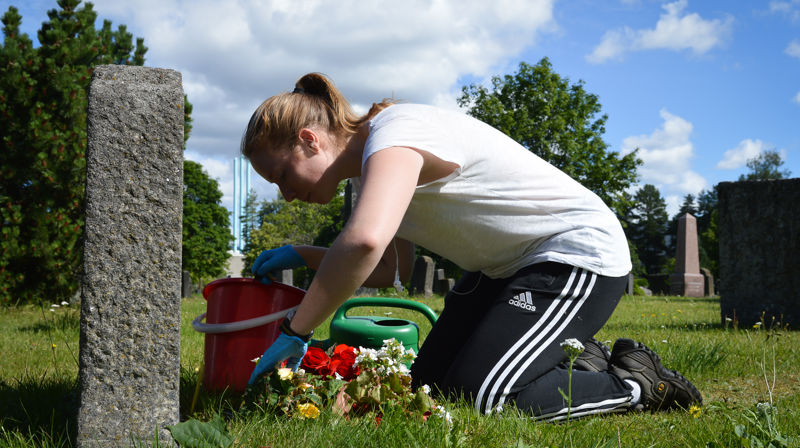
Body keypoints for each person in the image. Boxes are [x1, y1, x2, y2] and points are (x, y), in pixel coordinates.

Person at [241, 72, 702, 419]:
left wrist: (297, 329)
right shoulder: (370, 172)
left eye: (281, 175)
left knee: (488, 397)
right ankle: (579, 360)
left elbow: (363, 242)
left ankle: (636, 385)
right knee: (434, 388)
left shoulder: (395, 135)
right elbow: (386, 270)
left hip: (573, 254)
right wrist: (303, 254)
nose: (284, 193)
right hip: (502, 269)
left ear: (308, 140)